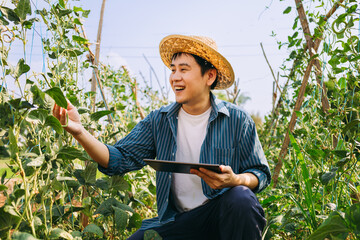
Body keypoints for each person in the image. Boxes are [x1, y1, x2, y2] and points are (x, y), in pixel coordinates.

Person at [53, 34, 271, 240]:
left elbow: (259, 173)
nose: (175, 77)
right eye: (173, 70)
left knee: (241, 198)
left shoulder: (237, 120)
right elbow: (118, 158)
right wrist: (79, 131)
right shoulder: (159, 120)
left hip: (222, 217)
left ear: (209, 76)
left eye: (184, 70)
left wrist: (236, 180)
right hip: (178, 221)